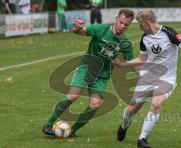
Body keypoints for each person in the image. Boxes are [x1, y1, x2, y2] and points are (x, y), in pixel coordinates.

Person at [113, 9, 181, 148]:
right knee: (132, 110)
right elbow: (142, 59)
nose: (140, 27)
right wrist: (124, 64)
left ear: (147, 22)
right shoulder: (145, 38)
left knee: (155, 104)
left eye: (141, 25)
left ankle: (142, 139)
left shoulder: (170, 33)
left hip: (167, 78)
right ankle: (124, 126)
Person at [42, 8, 135, 138]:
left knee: (94, 105)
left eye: (126, 24)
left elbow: (132, 62)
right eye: (121, 22)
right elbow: (77, 32)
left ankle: (72, 131)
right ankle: (48, 124)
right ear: (116, 19)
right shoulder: (100, 29)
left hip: (102, 76)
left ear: (130, 25)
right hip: (87, 68)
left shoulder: (125, 44)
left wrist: (124, 64)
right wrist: (77, 27)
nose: (122, 26)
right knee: (73, 96)